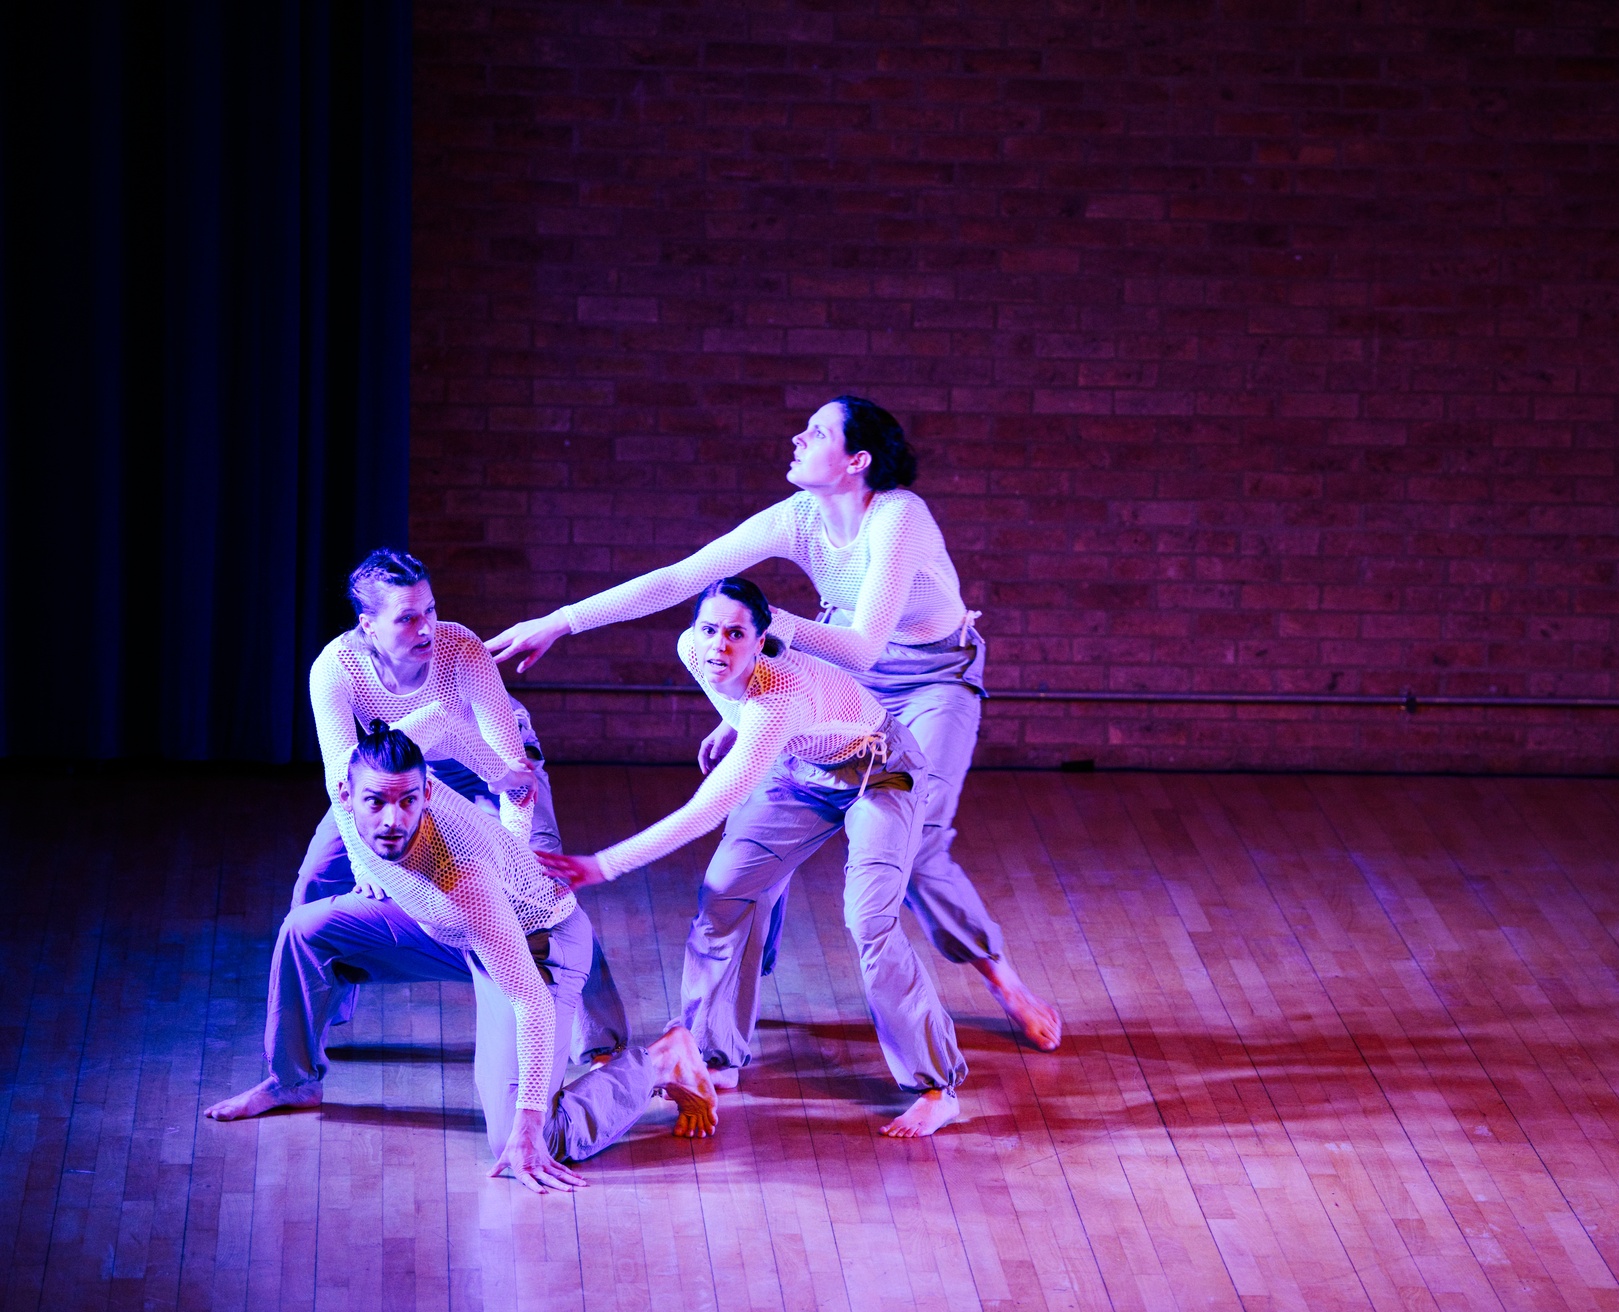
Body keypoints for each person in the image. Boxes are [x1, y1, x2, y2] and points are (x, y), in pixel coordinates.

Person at [488, 397, 1061, 1052]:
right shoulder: (798, 517)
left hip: (931, 678)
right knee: (753, 831)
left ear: (857, 460)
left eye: (816, 432)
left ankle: (1001, 976)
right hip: (834, 669)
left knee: (919, 841)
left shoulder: (898, 515)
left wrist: (772, 631)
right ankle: (728, 1017)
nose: (797, 437)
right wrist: (562, 622)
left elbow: (864, 647)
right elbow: (680, 579)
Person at [537, 578, 965, 1137]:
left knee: (869, 920)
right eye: (709, 629)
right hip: (799, 771)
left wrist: (603, 864)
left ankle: (937, 1088)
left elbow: (706, 809)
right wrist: (731, 722)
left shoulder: (778, 703)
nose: (718, 645)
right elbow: (737, 688)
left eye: (736, 635)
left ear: (760, 642)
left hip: (880, 774)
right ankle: (715, 1055)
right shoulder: (693, 652)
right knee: (723, 894)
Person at [204, 727, 718, 1192]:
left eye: (408, 801)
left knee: (520, 1138)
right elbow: (441, 720)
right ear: (345, 796)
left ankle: (660, 1062)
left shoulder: (461, 877)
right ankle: (291, 1081)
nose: (392, 820)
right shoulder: (359, 786)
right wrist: (501, 777)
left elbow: (531, 1003)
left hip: (535, 949)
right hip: (449, 931)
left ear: (427, 794)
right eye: (376, 802)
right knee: (306, 931)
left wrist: (528, 1120)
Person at [304, 549, 626, 1062]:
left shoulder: (461, 648)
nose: (426, 627)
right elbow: (341, 781)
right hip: (399, 778)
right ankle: (306, 1047)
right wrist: (364, 864)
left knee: (543, 887)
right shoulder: (334, 670)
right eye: (407, 618)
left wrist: (510, 856)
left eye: (430, 610)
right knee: (317, 879)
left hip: (488, 764)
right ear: (368, 626)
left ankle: (601, 1041)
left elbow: (510, 772)